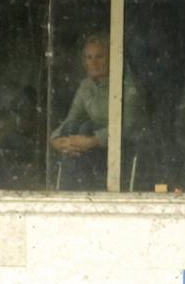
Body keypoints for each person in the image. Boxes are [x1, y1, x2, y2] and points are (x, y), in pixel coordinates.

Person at [49, 33, 144, 190]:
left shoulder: (128, 87)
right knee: (74, 128)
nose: (94, 63)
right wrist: (58, 140)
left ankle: (80, 194)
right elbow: (71, 119)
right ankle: (71, 194)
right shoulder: (86, 86)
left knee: (85, 129)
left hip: (125, 148)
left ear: (112, 59)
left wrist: (92, 141)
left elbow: (127, 128)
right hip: (95, 151)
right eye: (89, 57)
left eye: (100, 56)